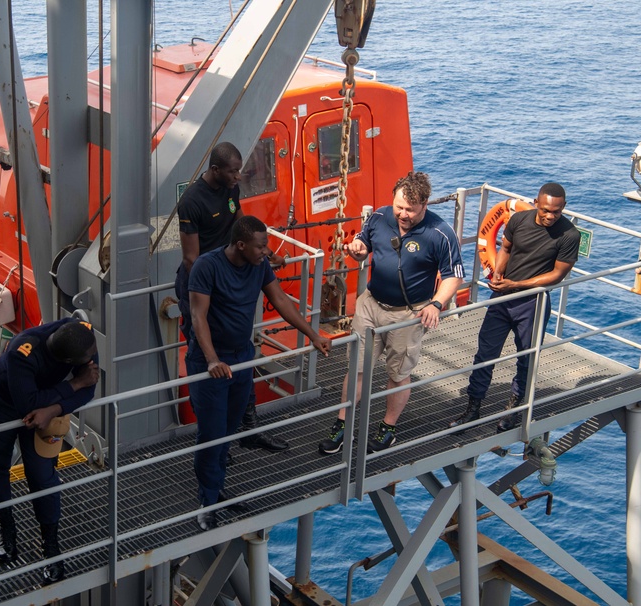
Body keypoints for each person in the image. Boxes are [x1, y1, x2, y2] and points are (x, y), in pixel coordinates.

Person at [187, 215, 331, 530]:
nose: (267, 251)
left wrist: (313, 334)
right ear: (240, 245)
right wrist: (212, 360)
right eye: (261, 246)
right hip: (209, 363)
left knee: (228, 429)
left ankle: (216, 490)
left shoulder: (258, 265)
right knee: (211, 434)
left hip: (241, 358)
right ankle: (207, 502)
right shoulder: (207, 267)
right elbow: (198, 316)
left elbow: (280, 300)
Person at [317, 171, 464, 455]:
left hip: (408, 314)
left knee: (398, 374)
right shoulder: (379, 218)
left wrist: (436, 304)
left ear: (425, 205)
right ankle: (342, 424)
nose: (403, 214)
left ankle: (388, 428)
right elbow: (363, 243)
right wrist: (358, 250)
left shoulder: (440, 233)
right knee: (357, 368)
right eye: (399, 207)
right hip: (371, 305)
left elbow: (453, 275)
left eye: (410, 209)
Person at [176, 141, 289, 453]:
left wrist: (264, 254)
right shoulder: (191, 201)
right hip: (204, 286)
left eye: (239, 170)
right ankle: (214, 445)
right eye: (233, 171)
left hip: (229, 276)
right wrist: (225, 286)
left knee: (240, 352)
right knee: (207, 357)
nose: (239, 176)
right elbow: (191, 259)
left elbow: (239, 224)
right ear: (215, 171)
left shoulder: (230, 188)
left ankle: (248, 427)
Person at [449, 182, 580, 433]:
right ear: (536, 203)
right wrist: (498, 273)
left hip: (534, 303)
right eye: (545, 210)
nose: (550, 216)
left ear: (563, 208)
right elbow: (505, 248)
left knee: (526, 358)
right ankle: (472, 409)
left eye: (556, 211)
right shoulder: (519, 219)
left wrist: (516, 284)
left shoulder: (570, 235)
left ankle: (513, 410)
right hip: (502, 299)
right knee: (484, 355)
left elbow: (557, 275)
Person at [0, 318, 100, 585]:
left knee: (42, 475)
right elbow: (28, 406)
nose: (94, 359)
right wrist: (73, 385)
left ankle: (51, 546)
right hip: (1, 404)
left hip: (45, 407)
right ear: (69, 361)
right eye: (87, 358)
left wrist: (54, 409)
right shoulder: (22, 352)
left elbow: (89, 385)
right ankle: (6, 528)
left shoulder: (80, 335)